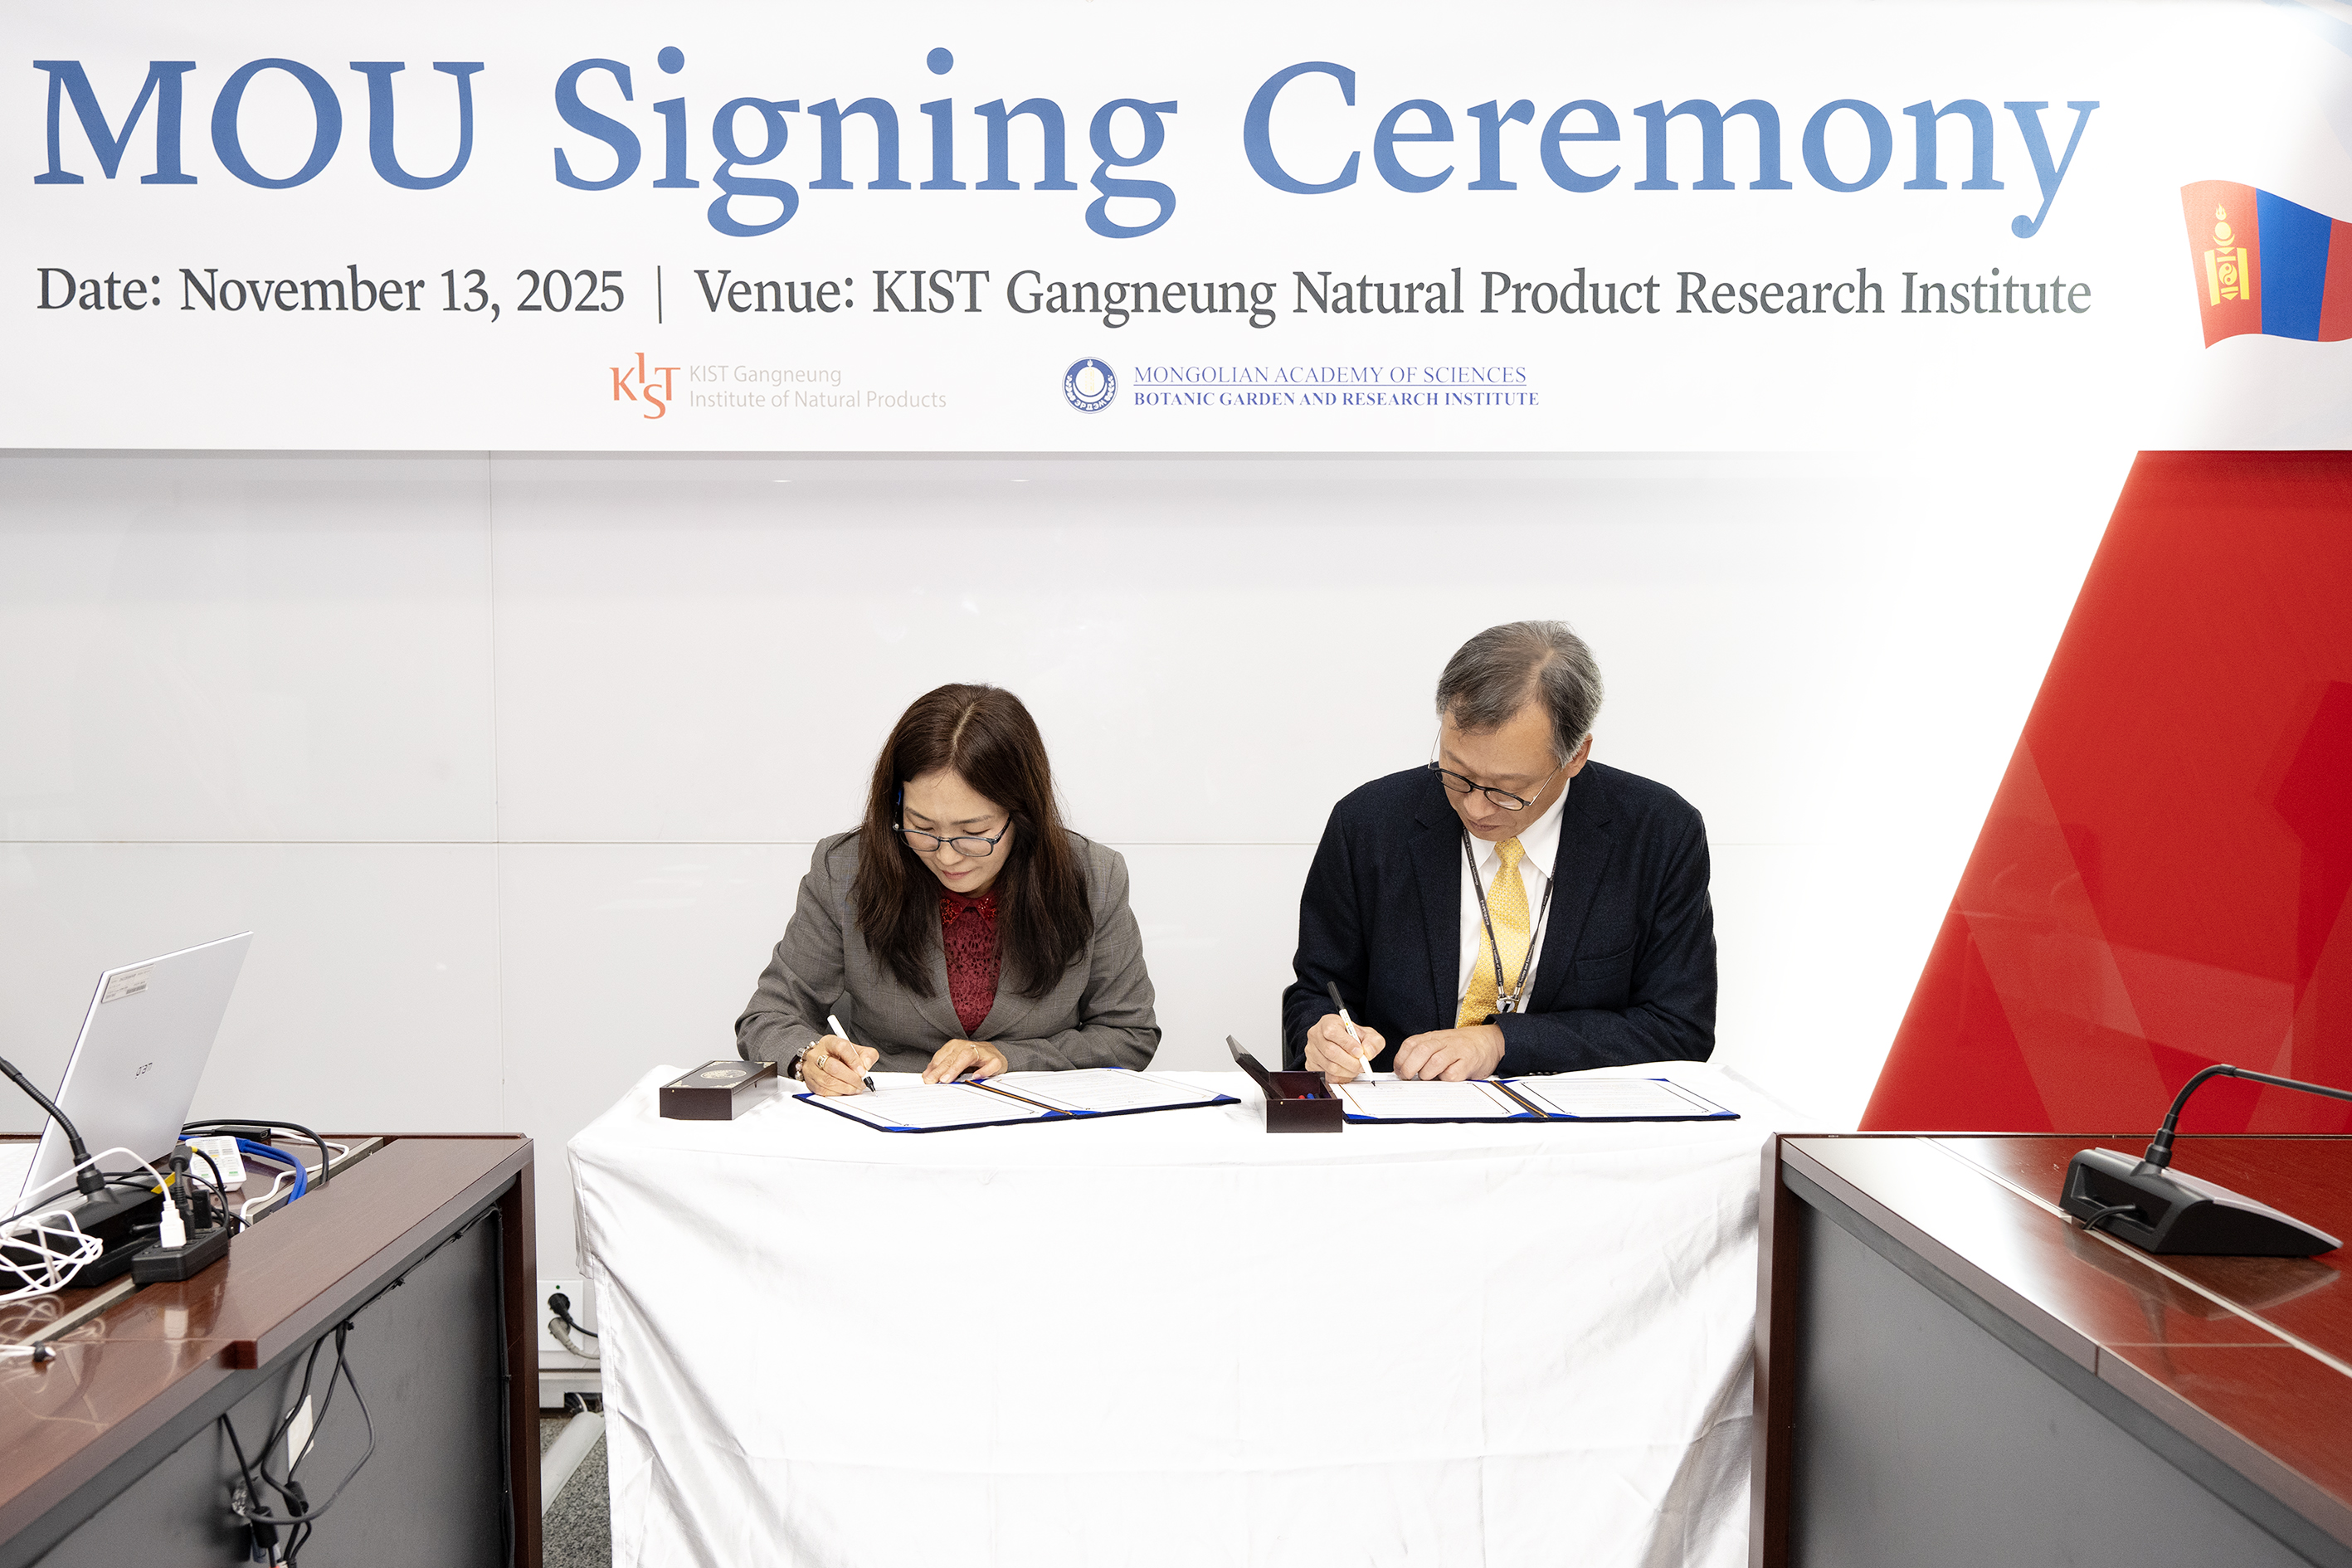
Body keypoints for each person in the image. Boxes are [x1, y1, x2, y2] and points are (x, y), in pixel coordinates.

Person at [1283, 621, 1715, 1082]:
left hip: (1573, 1117)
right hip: (1399, 1108)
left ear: (1576, 756)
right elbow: (1316, 993)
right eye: (1456, 773)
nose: (1474, 808)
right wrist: (1322, 1037)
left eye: (1507, 789)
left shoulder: (1658, 833)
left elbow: (1680, 1029)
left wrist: (1502, 1042)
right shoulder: (1368, 823)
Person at [738, 683, 1158, 1094]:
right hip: (885, 1115)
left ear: (1023, 813)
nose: (947, 856)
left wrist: (1013, 1057)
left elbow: (1129, 1035)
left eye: (973, 832)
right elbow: (768, 1016)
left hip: (1037, 1123)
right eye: (921, 826)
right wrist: (808, 1058)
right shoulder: (847, 870)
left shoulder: (1094, 876)